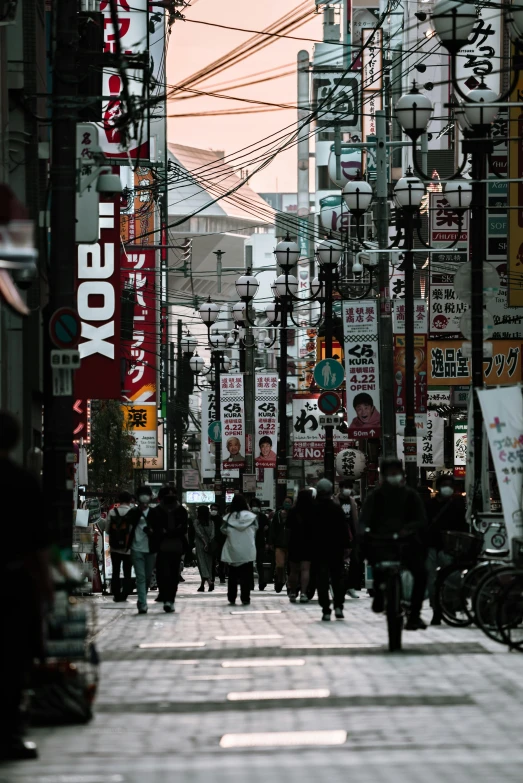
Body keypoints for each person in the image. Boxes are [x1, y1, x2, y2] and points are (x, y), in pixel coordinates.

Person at [1, 411, 53, 761]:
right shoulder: (22, 482)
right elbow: (38, 546)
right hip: (11, 583)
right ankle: (9, 735)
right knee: (12, 660)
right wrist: (47, 586)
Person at [359, 457, 428, 631]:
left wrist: (409, 529)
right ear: (383, 476)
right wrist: (364, 531)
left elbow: (421, 519)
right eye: (390, 474)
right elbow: (364, 519)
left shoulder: (411, 496)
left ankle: (414, 614)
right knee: (373, 563)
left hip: (406, 543)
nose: (393, 477)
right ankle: (379, 595)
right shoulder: (375, 497)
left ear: (402, 475)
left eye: (396, 474)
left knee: (421, 574)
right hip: (381, 543)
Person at [426, 475, 468, 625]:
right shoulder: (429, 505)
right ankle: (436, 610)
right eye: (444, 485)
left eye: (450, 485)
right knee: (432, 581)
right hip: (431, 547)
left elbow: (462, 525)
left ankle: (449, 606)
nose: (447, 488)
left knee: (451, 579)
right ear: (438, 487)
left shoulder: (456, 504)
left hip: (449, 548)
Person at [310, 479, 351, 620]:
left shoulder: (314, 509)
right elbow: (344, 529)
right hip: (336, 549)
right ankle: (338, 605)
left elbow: (309, 532)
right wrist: (346, 546)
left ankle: (326, 609)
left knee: (321, 580)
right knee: (337, 578)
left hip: (319, 550)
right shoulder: (336, 508)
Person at [149, 486, 188, 612]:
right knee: (166, 574)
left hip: (171, 547)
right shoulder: (158, 511)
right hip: (165, 547)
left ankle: (169, 599)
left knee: (169, 574)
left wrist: (166, 532)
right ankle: (167, 598)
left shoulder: (180, 510)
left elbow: (184, 528)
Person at [127, 485, 160, 614]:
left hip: (151, 550)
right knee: (140, 577)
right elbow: (127, 529)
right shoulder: (133, 513)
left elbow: (159, 531)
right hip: (136, 549)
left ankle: (142, 599)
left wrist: (152, 532)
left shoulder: (154, 513)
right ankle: (143, 603)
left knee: (146, 577)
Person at [221, 494, 258, 606]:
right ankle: (245, 598)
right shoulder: (252, 517)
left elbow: (223, 530)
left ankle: (232, 597)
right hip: (247, 549)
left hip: (232, 549)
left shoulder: (228, 517)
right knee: (246, 576)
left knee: (232, 575)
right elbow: (256, 528)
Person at [101, 491, 133, 602]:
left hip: (114, 547)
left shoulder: (112, 512)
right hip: (128, 548)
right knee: (127, 571)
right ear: (130, 500)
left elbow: (107, 530)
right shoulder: (132, 512)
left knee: (115, 571)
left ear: (119, 500)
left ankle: (116, 594)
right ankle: (125, 593)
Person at [287, 489, 314, 603]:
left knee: (294, 570)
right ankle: (303, 593)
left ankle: (293, 592)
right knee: (305, 569)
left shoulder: (293, 511)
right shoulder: (313, 510)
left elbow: (288, 527)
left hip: (294, 542)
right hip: (308, 543)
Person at [337, 480, 360, 599]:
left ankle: (351, 587)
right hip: (338, 535)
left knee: (355, 561)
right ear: (340, 488)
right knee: (339, 561)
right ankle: (340, 586)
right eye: (345, 487)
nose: (347, 489)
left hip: (352, 535)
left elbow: (355, 520)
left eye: (349, 487)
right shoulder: (335, 501)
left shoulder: (352, 502)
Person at [268, 496, 292, 592]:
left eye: (289, 502)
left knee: (291, 567)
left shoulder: (294, 515)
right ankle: (280, 580)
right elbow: (272, 529)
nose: (287, 504)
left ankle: (289, 584)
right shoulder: (277, 515)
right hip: (279, 544)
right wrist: (270, 542)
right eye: (286, 502)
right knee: (280, 565)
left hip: (291, 545)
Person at [194, 504, 215, 592]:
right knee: (208, 564)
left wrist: (204, 543)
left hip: (200, 544)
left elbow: (199, 533)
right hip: (210, 545)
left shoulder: (196, 522)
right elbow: (213, 534)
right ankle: (202, 585)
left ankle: (209, 582)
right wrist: (209, 542)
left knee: (202, 564)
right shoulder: (211, 522)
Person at [251, 500, 269, 590]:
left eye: (256, 505)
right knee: (249, 563)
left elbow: (267, 528)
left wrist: (267, 542)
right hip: (249, 542)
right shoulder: (248, 517)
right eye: (253, 505)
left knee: (260, 563)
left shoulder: (263, 517)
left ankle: (262, 582)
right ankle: (250, 583)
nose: (255, 507)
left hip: (260, 542)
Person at [210, 503, 226, 584]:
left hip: (220, 542)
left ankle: (221, 577)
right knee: (212, 561)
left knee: (221, 561)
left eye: (215, 509)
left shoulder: (221, 519)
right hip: (212, 542)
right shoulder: (208, 519)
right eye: (212, 509)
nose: (213, 511)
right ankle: (212, 577)